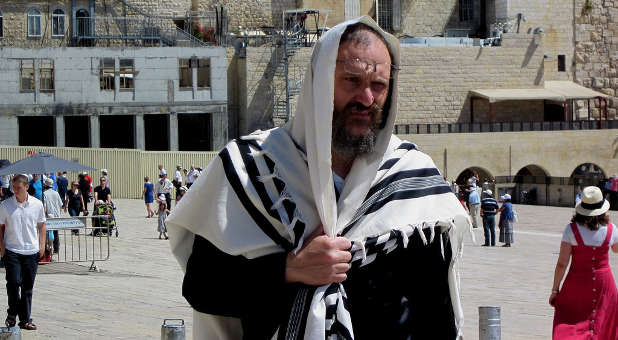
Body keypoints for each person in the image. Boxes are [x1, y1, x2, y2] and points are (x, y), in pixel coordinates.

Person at [166, 17, 469, 340]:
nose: (366, 99)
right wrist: (288, 269)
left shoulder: (411, 177)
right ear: (319, 83)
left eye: (378, 85)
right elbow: (202, 285)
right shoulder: (251, 169)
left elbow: (435, 311)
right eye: (351, 80)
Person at [550, 186, 618, 339]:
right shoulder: (611, 229)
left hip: (576, 283)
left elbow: (562, 263)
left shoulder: (571, 229)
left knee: (570, 322)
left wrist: (555, 290)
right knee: (602, 325)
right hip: (604, 283)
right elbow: (616, 249)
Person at [0, 174, 46, 331]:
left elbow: (42, 225)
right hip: (12, 250)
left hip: (31, 251)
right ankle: (12, 313)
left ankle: (25, 319)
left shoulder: (37, 204)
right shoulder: (5, 205)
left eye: (18, 188)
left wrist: (42, 246)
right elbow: (0, 227)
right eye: (13, 187)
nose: (15, 190)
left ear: (26, 187)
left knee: (27, 287)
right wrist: (2, 248)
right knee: (13, 283)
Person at [42, 178, 62, 254]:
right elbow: (60, 204)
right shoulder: (56, 193)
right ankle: (56, 249)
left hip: (49, 216)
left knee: (48, 232)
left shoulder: (44, 193)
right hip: (56, 215)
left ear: (45, 185)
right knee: (55, 233)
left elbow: (44, 207)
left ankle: (47, 249)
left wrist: (43, 215)